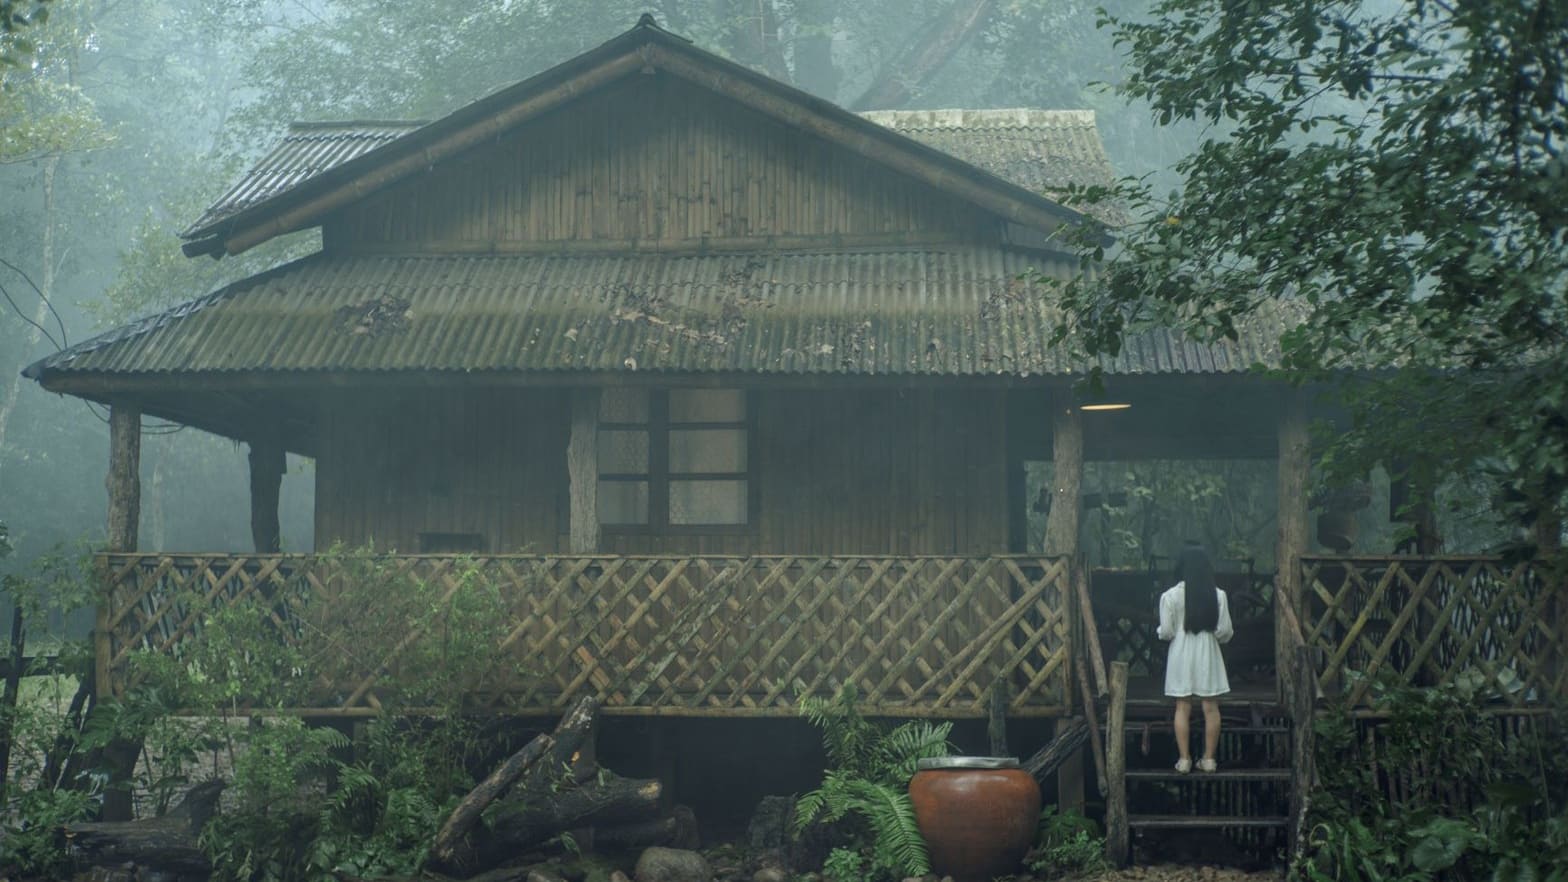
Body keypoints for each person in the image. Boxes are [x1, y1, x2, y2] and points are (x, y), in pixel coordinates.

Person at [1157, 545, 1233, 773]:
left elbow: (1167, 632)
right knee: (1211, 707)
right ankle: (1209, 759)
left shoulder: (1170, 596)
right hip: (1208, 652)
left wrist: (1160, 631)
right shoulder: (1218, 595)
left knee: (1182, 706)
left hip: (1180, 653)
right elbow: (1225, 632)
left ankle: (1184, 760)